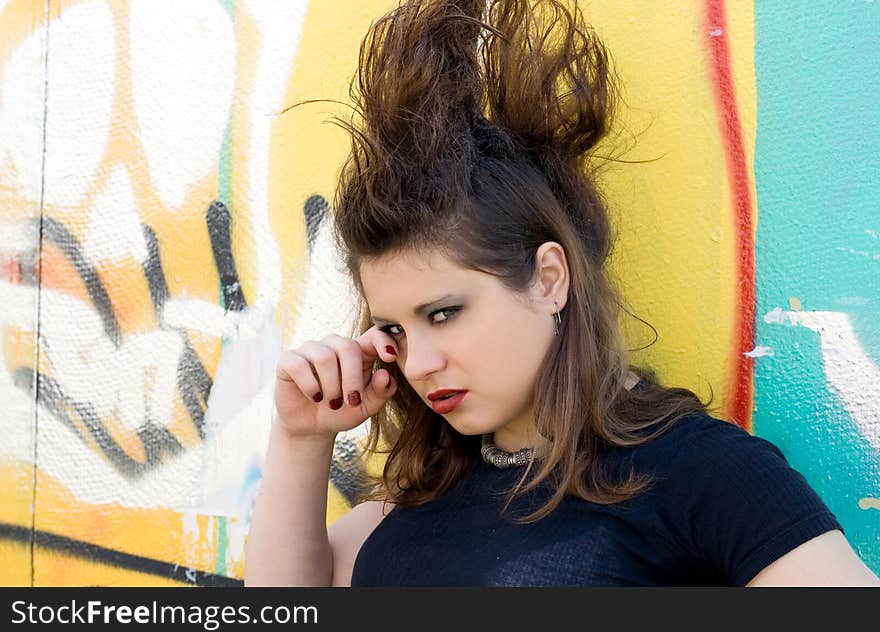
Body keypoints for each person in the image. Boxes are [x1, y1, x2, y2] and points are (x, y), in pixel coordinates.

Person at [244, 0, 879, 586]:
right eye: (397, 332)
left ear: (549, 279)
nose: (419, 363)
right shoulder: (413, 503)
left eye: (445, 313)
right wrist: (301, 438)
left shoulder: (700, 475)